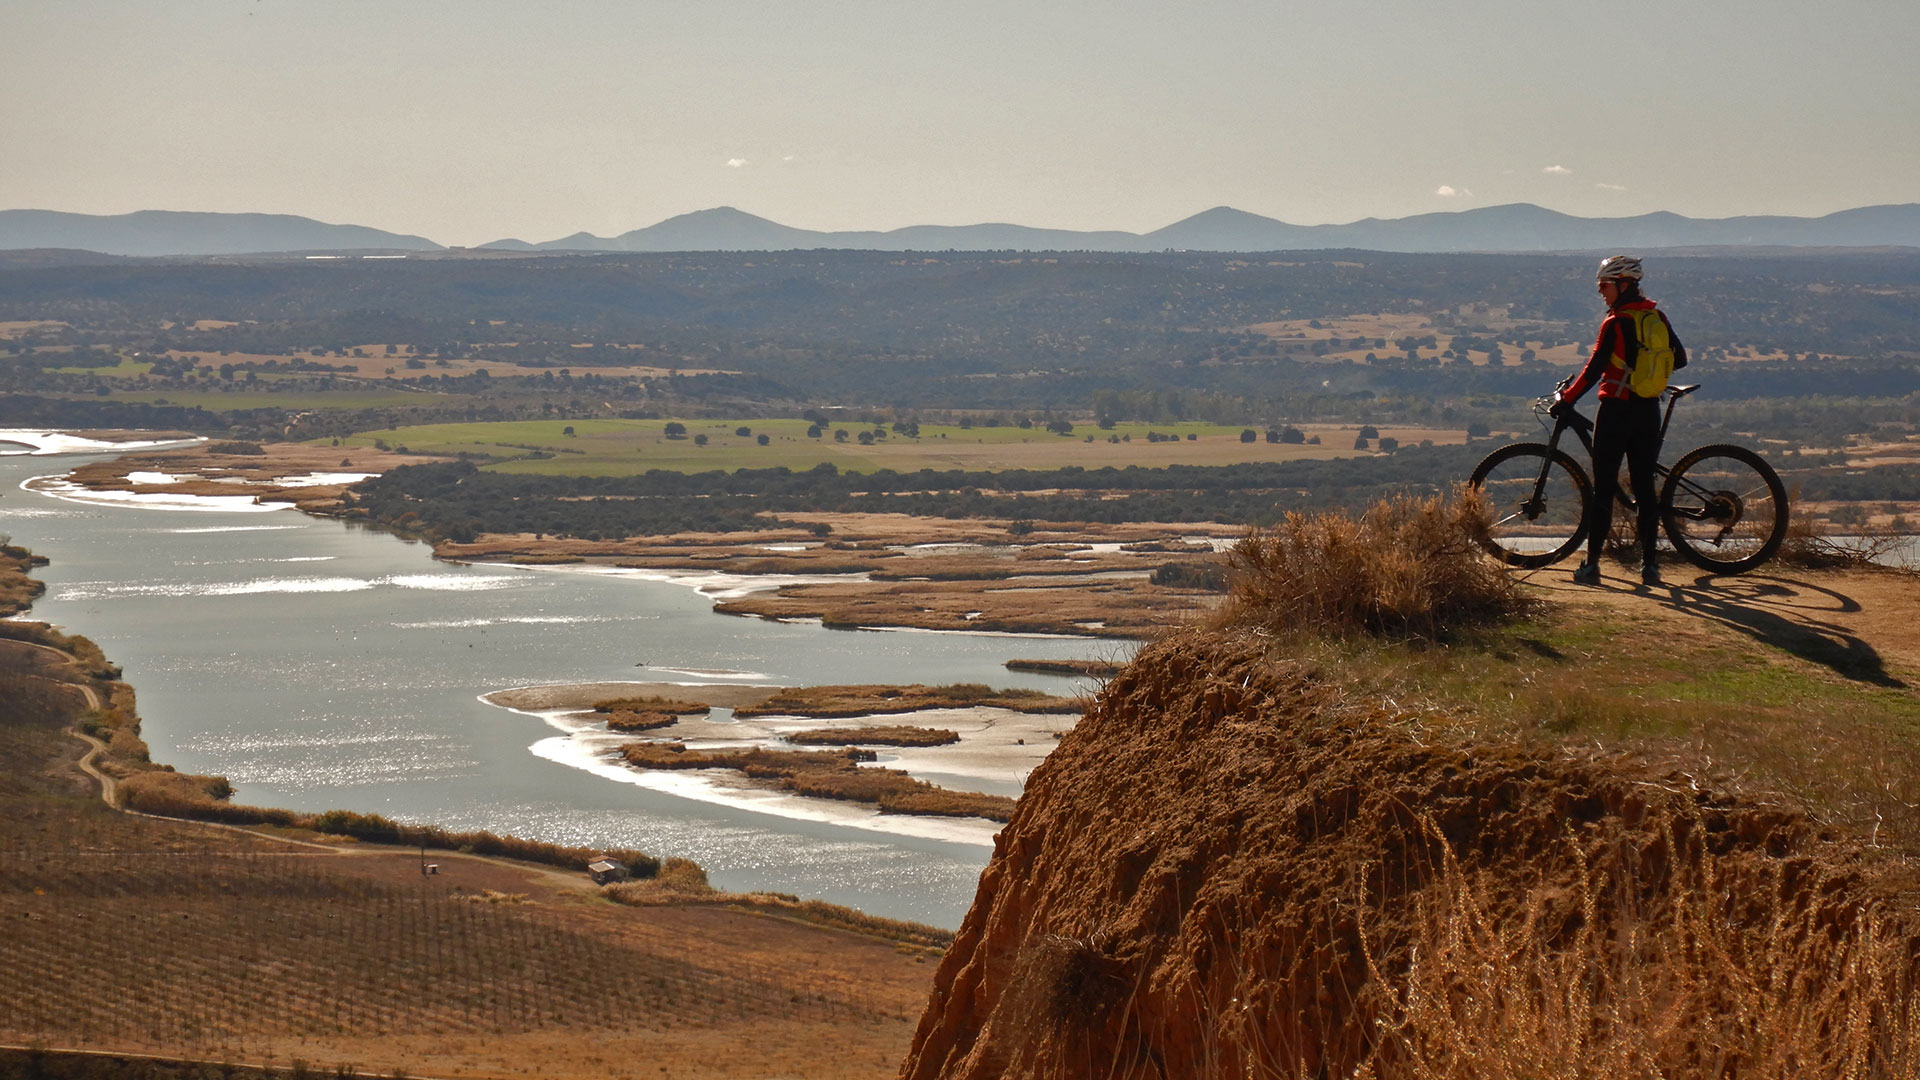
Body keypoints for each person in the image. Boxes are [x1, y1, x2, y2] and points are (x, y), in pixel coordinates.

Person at [1551, 255, 1687, 587]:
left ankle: (1592, 566)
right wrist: (1649, 374)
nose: (1600, 291)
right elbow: (1680, 359)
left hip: (1614, 411)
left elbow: (1594, 369)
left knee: (1604, 491)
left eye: (1605, 285)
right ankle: (1650, 566)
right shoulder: (1657, 317)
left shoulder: (1614, 323)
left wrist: (1566, 399)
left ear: (1623, 284)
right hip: (1647, 411)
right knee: (1645, 491)